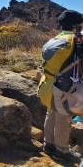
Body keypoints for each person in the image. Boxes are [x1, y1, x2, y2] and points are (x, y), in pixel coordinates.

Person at [42, 10, 83, 162]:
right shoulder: (76, 40)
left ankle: (48, 145)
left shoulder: (54, 39)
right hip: (64, 87)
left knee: (51, 112)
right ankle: (62, 151)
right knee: (64, 117)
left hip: (47, 85)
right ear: (76, 25)